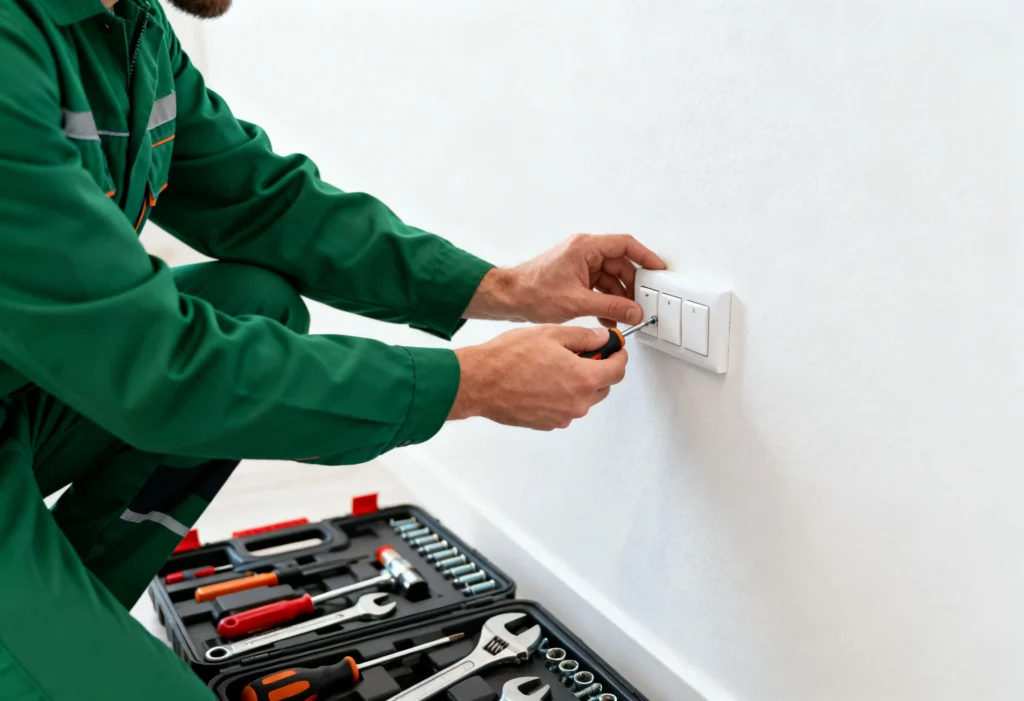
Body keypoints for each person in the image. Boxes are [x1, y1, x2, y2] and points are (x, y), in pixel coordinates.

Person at [0, 0, 665, 697]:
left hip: (23, 396)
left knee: (258, 303)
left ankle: (60, 623)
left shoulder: (131, 28)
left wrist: (502, 285)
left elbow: (269, 203)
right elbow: (163, 366)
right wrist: (470, 384)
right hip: (84, 384)